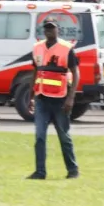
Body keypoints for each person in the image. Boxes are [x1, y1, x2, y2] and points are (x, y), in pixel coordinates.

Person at [27, 19, 79, 180]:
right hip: (41, 98)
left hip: (60, 99)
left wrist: (71, 98)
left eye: (52, 28)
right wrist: (31, 96)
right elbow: (35, 71)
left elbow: (75, 73)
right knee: (40, 136)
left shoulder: (66, 48)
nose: (49, 31)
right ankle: (40, 172)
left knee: (64, 136)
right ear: (44, 31)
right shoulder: (37, 48)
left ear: (58, 30)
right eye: (47, 28)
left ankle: (73, 170)